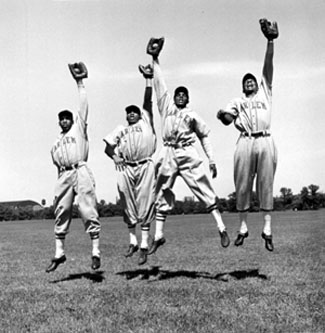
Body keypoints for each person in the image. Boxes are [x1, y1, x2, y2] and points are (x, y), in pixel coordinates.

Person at [146, 37, 230, 255]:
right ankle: (158, 236)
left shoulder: (192, 115)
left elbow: (204, 136)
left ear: (188, 99)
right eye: (178, 95)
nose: (180, 97)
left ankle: (221, 228)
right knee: (161, 190)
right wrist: (155, 58)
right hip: (168, 151)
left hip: (187, 151)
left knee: (203, 188)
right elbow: (160, 84)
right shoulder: (167, 107)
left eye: (184, 95)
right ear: (174, 98)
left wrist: (211, 159)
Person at [216, 18, 279, 251]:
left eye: (252, 80)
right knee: (242, 185)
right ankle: (242, 228)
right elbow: (227, 119)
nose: (250, 82)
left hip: (265, 139)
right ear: (243, 87)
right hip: (245, 141)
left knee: (266, 183)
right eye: (247, 81)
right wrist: (222, 115)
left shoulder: (266, 93)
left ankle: (267, 229)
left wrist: (270, 41)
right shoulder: (238, 101)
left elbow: (268, 66)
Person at [46, 62, 101, 273]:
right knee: (61, 210)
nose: (65, 121)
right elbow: (55, 163)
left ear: (72, 120)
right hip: (64, 174)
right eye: (62, 119)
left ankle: (95, 253)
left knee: (87, 209)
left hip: (80, 169)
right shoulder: (55, 143)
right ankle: (59, 253)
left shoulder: (79, 129)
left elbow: (83, 107)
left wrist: (80, 83)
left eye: (68, 118)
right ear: (59, 122)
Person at [103, 64, 156, 265]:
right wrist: (114, 156)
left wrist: (148, 80)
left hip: (145, 165)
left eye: (135, 112)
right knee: (126, 200)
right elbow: (108, 147)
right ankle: (132, 241)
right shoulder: (121, 129)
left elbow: (147, 102)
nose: (132, 114)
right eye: (129, 113)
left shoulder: (146, 122)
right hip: (126, 167)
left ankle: (143, 245)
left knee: (145, 202)